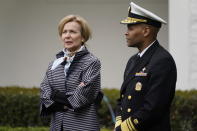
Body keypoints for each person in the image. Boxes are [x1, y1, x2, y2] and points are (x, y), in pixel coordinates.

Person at [115, 2, 177, 131]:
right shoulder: (133, 60)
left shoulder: (162, 60)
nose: (126, 33)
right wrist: (119, 122)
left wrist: (124, 128)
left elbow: (154, 108)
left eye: (130, 28)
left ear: (146, 31)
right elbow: (123, 98)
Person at [40, 15, 102, 131]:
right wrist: (58, 99)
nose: (67, 36)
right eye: (64, 32)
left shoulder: (92, 62)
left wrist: (55, 96)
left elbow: (83, 95)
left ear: (83, 37)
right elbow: (44, 92)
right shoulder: (53, 64)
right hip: (57, 126)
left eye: (73, 32)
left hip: (84, 127)